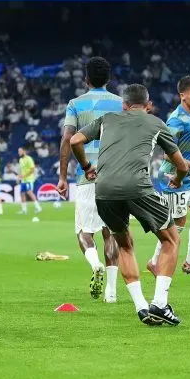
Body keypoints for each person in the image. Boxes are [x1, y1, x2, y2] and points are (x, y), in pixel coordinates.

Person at [70, 83, 190, 327]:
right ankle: (159, 303)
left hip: (102, 190)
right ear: (149, 105)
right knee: (170, 240)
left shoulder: (107, 119)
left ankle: (142, 308)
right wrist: (177, 180)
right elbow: (182, 165)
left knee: (124, 245)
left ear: (123, 105)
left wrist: (86, 167)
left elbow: (74, 140)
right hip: (137, 187)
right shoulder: (156, 123)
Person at [57, 56, 123, 303]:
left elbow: (67, 139)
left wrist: (62, 177)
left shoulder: (75, 104)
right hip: (115, 175)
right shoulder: (120, 104)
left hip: (87, 176)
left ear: (86, 78)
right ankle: (112, 293)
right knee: (111, 232)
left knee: (84, 232)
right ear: (109, 79)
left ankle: (95, 264)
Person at [149, 75, 190, 283]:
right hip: (174, 178)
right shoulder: (176, 120)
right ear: (182, 95)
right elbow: (167, 153)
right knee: (177, 224)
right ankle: (155, 261)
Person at [18, 147, 41, 215]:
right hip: (23, 180)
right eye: (18, 151)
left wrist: (24, 175)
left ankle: (38, 207)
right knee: (22, 193)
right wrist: (19, 176)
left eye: (20, 151)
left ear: (24, 151)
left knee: (29, 192)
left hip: (29, 179)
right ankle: (24, 210)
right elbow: (22, 170)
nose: (19, 153)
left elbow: (32, 169)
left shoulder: (29, 159)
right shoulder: (20, 160)